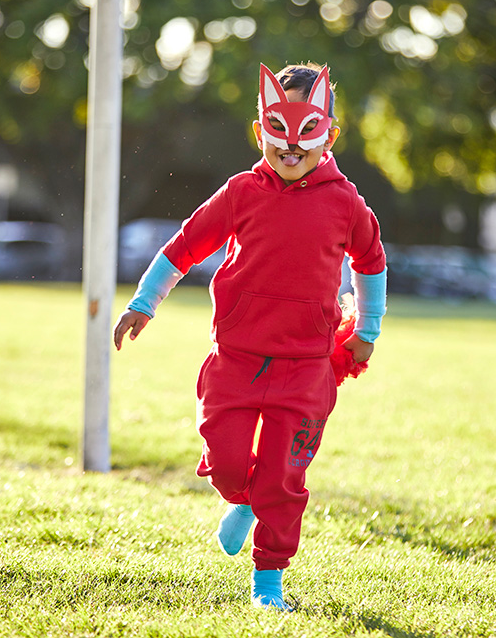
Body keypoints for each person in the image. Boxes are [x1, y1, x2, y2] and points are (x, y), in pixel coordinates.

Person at [113, 62, 387, 612]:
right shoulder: (240, 192)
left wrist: (367, 330)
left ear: (329, 136)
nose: (290, 145)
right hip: (235, 360)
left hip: (306, 366)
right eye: (276, 129)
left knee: (283, 479)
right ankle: (244, 498)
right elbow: (182, 247)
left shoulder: (345, 202)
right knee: (230, 460)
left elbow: (371, 262)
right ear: (259, 130)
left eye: (306, 131)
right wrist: (144, 303)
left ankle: (269, 585)